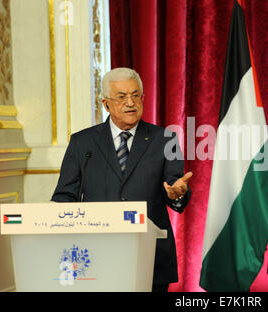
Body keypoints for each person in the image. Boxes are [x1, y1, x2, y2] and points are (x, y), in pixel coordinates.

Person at [52, 67, 193, 291]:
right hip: (95, 257)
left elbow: (175, 186)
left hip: (150, 257)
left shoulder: (166, 139)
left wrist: (178, 193)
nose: (130, 102)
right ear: (106, 103)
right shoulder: (82, 143)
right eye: (122, 96)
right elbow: (63, 198)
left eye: (136, 95)